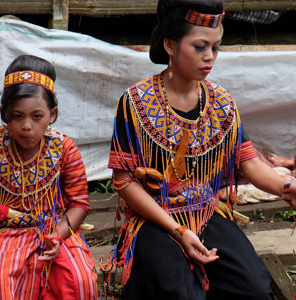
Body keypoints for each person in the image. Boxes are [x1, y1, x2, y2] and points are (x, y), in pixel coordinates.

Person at [108, 0, 296, 299]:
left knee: (255, 289)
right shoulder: (135, 102)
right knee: (181, 293)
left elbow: (248, 163)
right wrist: (179, 232)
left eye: (216, 47)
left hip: (206, 212)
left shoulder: (221, 101)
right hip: (155, 218)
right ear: (170, 45)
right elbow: (123, 181)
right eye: (200, 47)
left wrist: (287, 187)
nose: (210, 57)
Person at [0, 55, 97, 299]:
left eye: (37, 116)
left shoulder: (64, 148)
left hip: (54, 230)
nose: (27, 126)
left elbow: (79, 204)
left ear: (52, 114)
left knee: (78, 279)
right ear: (3, 114)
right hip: (7, 234)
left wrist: (57, 236)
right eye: (17, 116)